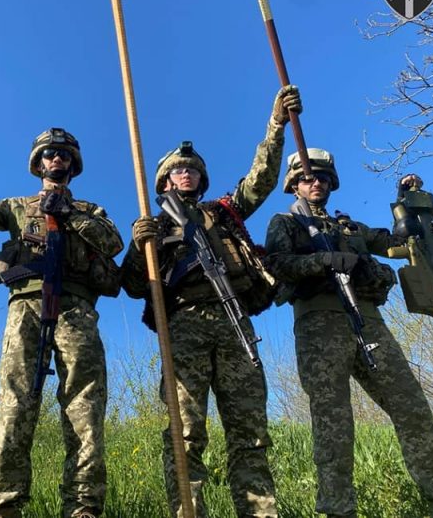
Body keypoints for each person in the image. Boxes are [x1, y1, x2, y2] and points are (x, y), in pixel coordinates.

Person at [120, 85, 302, 518]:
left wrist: (275, 125)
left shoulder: (224, 212)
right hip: (183, 326)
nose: (186, 174)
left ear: (202, 179)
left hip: (234, 322)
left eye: (193, 170)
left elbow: (261, 181)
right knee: (185, 435)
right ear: (165, 180)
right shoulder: (154, 224)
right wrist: (136, 244)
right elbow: (130, 284)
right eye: (177, 170)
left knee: (250, 432)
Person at [0, 128, 123, 518]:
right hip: (26, 306)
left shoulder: (91, 210)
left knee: (85, 408)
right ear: (39, 163)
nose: (56, 159)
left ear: (73, 163)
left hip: (77, 308)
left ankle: (83, 508)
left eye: (64, 154)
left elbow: (112, 243)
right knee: (15, 404)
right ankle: (3, 507)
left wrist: (70, 215)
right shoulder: (17, 206)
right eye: (49, 154)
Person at [264, 148, 433, 518]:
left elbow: (397, 244)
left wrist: (407, 203)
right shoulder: (285, 224)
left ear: (330, 182)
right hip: (319, 324)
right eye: (305, 177)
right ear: (294, 185)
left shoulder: (350, 228)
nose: (314, 182)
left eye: (320, 177)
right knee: (333, 421)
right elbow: (276, 264)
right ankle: (338, 510)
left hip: (369, 323)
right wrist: (325, 260)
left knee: (411, 406)